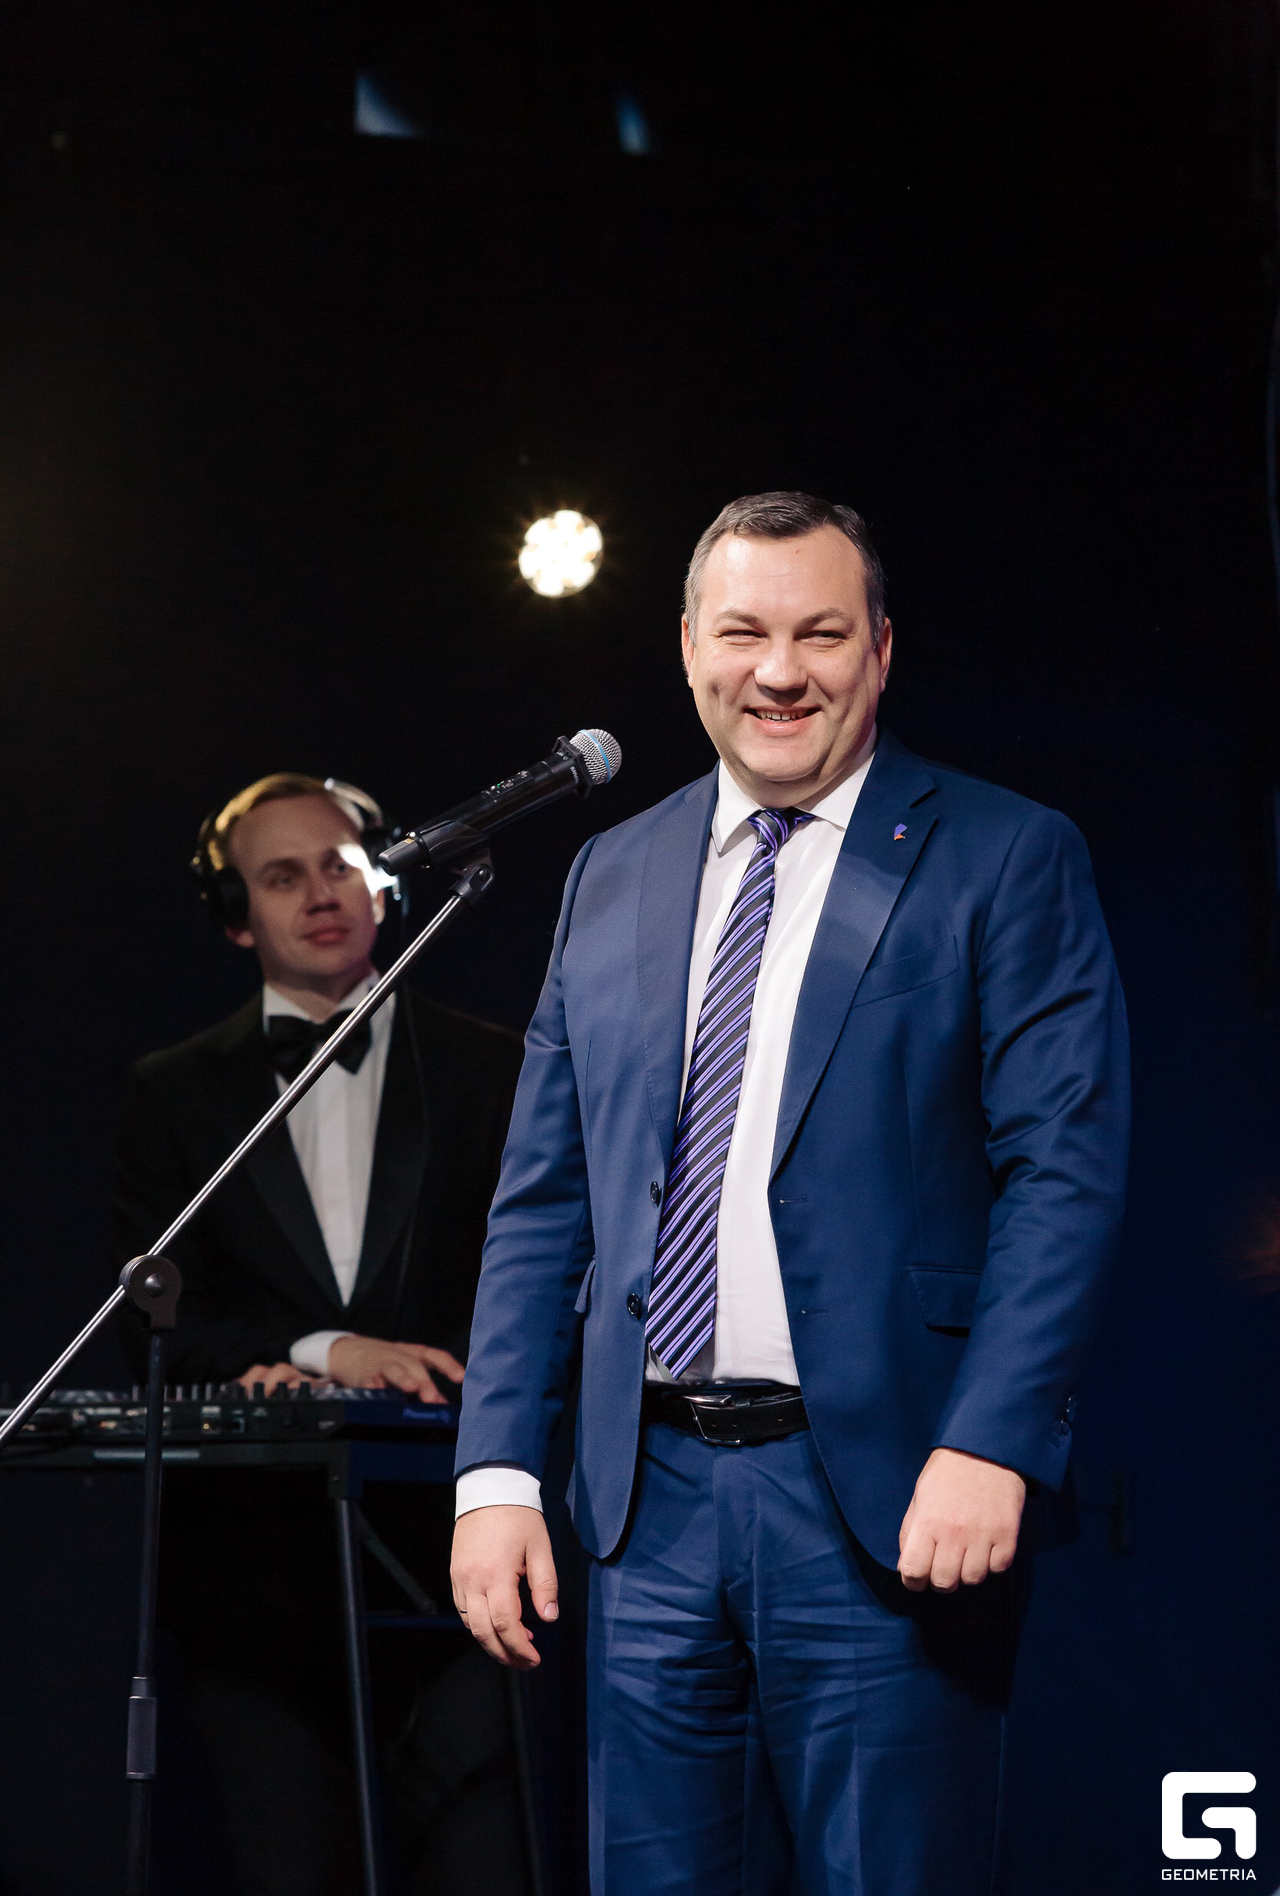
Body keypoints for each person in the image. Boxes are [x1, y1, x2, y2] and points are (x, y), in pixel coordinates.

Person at [450, 492, 1130, 1896]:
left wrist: (993, 1439)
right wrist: (498, 1471)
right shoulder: (610, 873)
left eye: (820, 633)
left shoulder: (1005, 853)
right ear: (687, 646)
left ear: (879, 650)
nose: (778, 672)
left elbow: (1062, 1171)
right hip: (645, 1508)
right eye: (742, 633)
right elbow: (543, 1204)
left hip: (885, 1493)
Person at [113, 772, 525, 1896]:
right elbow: (152, 1320)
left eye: (341, 864)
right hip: (254, 1575)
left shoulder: (496, 1066)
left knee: (483, 1868)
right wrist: (319, 1351)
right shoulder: (172, 1092)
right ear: (235, 916)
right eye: (282, 876)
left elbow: (542, 1282)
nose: (321, 894)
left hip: (458, 1553)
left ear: (387, 885)